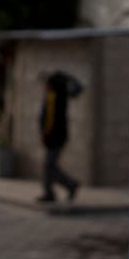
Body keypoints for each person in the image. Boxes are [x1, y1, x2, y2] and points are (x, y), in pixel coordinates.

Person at [37, 70, 83, 203]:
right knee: (50, 166)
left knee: (49, 165)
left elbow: (50, 119)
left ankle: (57, 190)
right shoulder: (60, 95)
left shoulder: (53, 96)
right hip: (58, 136)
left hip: (54, 137)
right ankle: (67, 186)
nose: (44, 86)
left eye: (46, 83)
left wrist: (45, 134)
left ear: (50, 84)